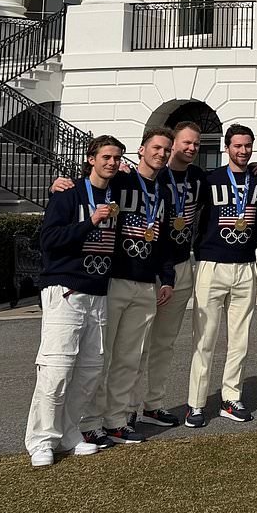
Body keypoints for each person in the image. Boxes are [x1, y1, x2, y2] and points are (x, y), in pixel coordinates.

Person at [24, 136, 124, 467]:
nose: (111, 162)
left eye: (116, 158)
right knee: (56, 369)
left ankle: (69, 432)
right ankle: (41, 440)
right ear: (91, 158)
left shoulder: (114, 194)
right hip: (65, 289)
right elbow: (49, 241)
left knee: (89, 371)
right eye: (106, 157)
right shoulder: (68, 194)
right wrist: (90, 222)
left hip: (98, 292)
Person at [80, 129, 176, 447]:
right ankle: (90, 423)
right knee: (102, 356)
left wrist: (168, 277)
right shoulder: (121, 180)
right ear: (141, 150)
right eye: (156, 148)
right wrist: (62, 183)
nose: (161, 154)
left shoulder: (163, 192)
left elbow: (162, 240)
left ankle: (117, 421)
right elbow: (90, 187)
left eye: (166, 150)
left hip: (146, 283)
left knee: (129, 358)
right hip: (115, 279)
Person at [184, 125, 257, 427]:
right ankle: (195, 403)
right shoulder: (209, 180)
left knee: (240, 340)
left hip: (246, 265)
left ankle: (231, 398)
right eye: (237, 146)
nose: (243, 151)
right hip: (211, 264)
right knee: (204, 339)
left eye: (247, 146)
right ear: (227, 148)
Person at [131, 121, 205, 428]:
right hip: (151, 267)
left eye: (196, 145)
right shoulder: (151, 176)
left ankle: (154, 404)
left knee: (165, 343)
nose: (190, 148)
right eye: (185, 143)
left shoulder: (200, 177)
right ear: (173, 144)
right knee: (137, 344)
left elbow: (235, 177)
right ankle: (126, 410)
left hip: (181, 265)